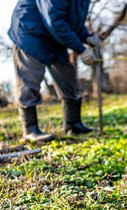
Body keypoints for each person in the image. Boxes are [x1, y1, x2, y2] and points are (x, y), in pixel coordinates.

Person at [8, 0, 99, 142]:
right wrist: (80, 49)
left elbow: (74, 22)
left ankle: (73, 124)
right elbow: (55, 21)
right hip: (31, 32)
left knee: (67, 77)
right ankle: (30, 130)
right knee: (29, 80)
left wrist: (86, 36)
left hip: (54, 37)